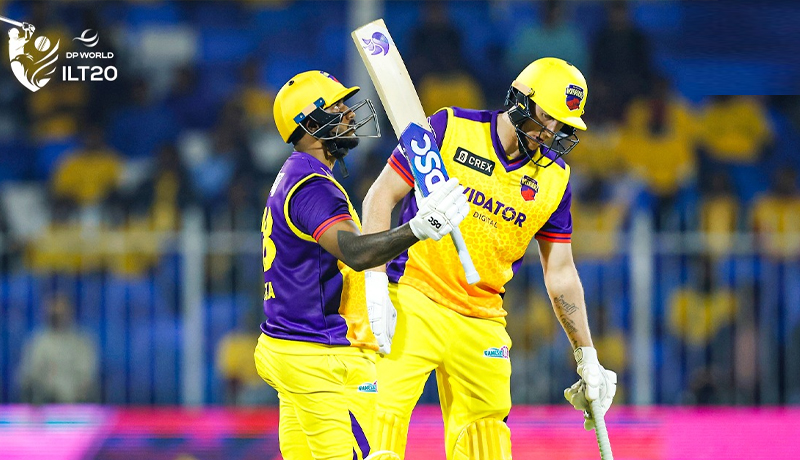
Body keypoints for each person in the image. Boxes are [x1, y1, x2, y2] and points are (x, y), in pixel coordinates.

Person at [361, 57, 617, 459]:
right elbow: (379, 198)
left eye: (562, 126)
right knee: (379, 423)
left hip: (483, 318)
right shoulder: (449, 128)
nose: (551, 133)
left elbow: (560, 271)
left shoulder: (556, 180)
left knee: (487, 441)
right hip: (412, 298)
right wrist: (374, 283)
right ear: (519, 100)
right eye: (546, 118)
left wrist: (587, 356)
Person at [253, 70, 469, 460]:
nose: (350, 114)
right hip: (319, 355)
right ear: (310, 124)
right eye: (337, 107)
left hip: (289, 347)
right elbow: (355, 251)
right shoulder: (314, 187)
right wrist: (418, 228)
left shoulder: (296, 174)